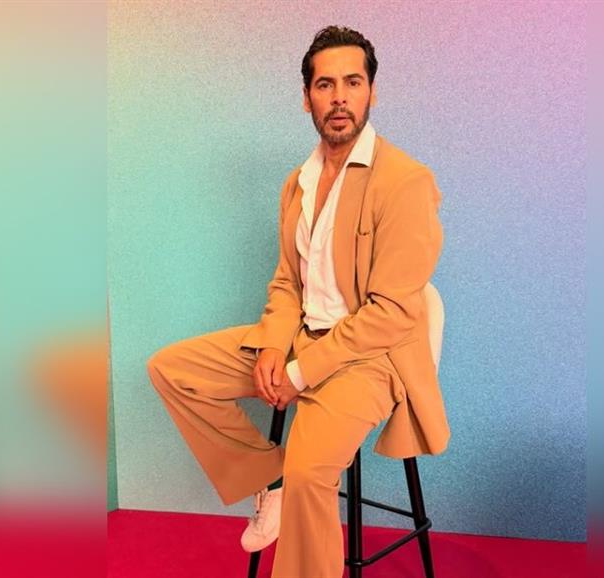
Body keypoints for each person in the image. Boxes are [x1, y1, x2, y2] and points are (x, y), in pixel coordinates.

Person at [147, 25, 450, 578]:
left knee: (313, 473)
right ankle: (271, 479)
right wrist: (272, 347)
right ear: (307, 97)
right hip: (301, 339)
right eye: (325, 84)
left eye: (352, 82)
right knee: (173, 369)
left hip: (371, 358)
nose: (339, 97)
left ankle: (295, 488)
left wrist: (299, 373)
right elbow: (289, 281)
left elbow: (390, 313)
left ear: (372, 92)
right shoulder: (299, 183)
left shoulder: (405, 182)